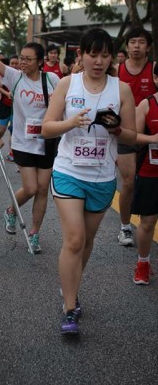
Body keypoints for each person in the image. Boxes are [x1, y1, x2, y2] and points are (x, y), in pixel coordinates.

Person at [42, 28, 136, 335]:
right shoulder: (67, 84)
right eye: (92, 54)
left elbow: (131, 136)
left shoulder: (122, 90)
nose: (98, 61)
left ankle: (70, 284)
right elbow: (46, 128)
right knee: (74, 239)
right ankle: (70, 308)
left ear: (112, 58)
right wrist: (70, 122)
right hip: (69, 171)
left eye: (105, 55)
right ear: (80, 55)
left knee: (87, 241)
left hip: (102, 177)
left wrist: (116, 129)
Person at [0, 42, 60, 254]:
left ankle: (34, 233)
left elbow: (64, 101)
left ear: (40, 61)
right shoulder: (14, 77)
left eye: (28, 59)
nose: (23, 63)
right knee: (31, 188)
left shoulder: (52, 80)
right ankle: (11, 210)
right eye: (21, 58)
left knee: (43, 189)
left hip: (47, 142)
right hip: (22, 142)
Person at [116, 27, 156, 246]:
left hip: (152, 134)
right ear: (127, 45)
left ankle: (147, 220)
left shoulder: (154, 69)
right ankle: (125, 228)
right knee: (129, 182)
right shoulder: (117, 70)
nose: (137, 46)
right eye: (133, 42)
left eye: (141, 42)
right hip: (126, 134)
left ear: (148, 47)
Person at [131, 62, 158, 284]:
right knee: (148, 222)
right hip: (150, 172)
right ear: (156, 79)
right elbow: (134, 136)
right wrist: (152, 138)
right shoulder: (147, 104)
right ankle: (143, 263)